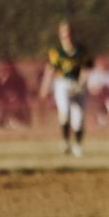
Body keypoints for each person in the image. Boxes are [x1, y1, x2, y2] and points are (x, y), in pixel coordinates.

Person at [39, 21, 94, 157]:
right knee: (64, 112)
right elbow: (50, 69)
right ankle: (65, 142)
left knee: (79, 118)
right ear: (60, 36)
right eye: (64, 34)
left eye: (69, 33)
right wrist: (45, 86)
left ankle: (78, 145)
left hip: (77, 84)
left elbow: (87, 68)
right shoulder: (57, 52)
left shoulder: (82, 51)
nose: (67, 37)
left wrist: (81, 83)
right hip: (62, 83)